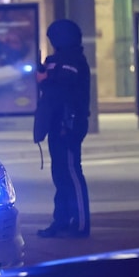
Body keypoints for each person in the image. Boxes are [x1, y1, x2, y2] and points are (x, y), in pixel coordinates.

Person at [33, 19, 91, 238]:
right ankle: (62, 220)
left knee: (72, 173)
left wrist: (44, 79)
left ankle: (81, 223)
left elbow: (62, 87)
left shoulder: (74, 60)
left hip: (69, 123)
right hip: (56, 123)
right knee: (60, 174)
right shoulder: (54, 60)